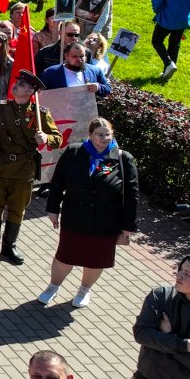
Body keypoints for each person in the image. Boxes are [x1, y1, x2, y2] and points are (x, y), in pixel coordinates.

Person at [38, 118, 139, 308]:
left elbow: (132, 194)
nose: (103, 138)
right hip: (75, 217)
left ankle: (84, 289)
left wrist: (128, 226)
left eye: (107, 134)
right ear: (90, 135)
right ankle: (53, 286)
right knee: (65, 256)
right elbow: (58, 181)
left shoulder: (122, 158)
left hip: (106, 222)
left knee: (95, 259)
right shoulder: (74, 152)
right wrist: (53, 208)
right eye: (99, 135)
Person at [0, 70, 61, 264]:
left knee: (17, 210)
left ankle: (9, 246)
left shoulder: (39, 114)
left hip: (24, 170)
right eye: (16, 82)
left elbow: (57, 139)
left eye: (22, 85)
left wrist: (46, 138)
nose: (16, 85)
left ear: (32, 91)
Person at [40, 41, 113, 95]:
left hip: (87, 113)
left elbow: (108, 88)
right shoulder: (51, 73)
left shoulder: (95, 71)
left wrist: (98, 87)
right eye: (74, 56)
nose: (79, 59)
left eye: (81, 56)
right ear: (66, 56)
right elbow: (41, 95)